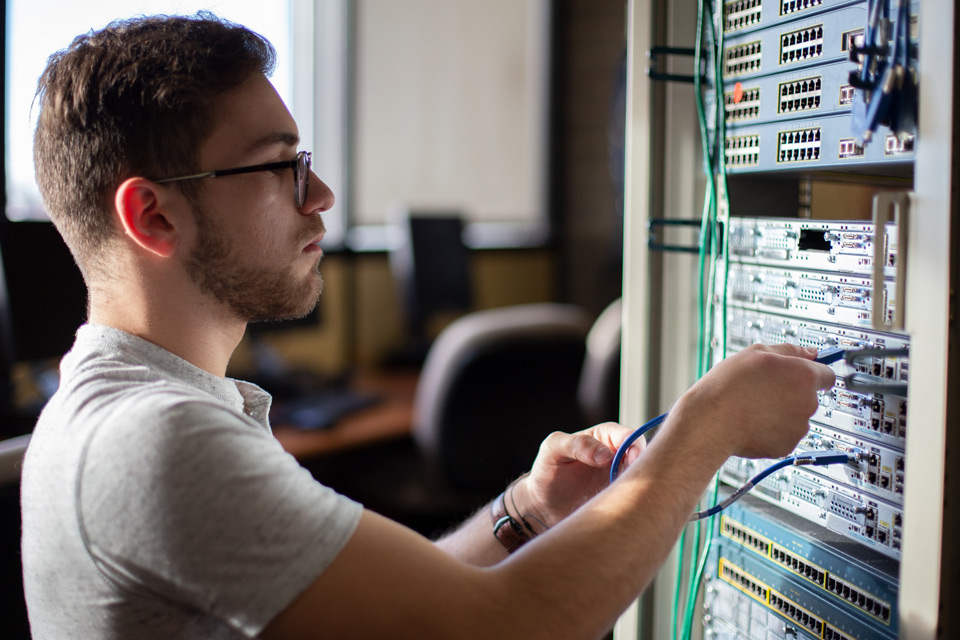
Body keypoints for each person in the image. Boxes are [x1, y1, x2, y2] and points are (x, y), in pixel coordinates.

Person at [20, 13, 835, 640]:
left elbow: (411, 613)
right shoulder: (153, 440)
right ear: (153, 216)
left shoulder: (159, 409)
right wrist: (714, 424)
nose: (321, 196)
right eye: (279, 167)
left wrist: (526, 510)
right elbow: (504, 627)